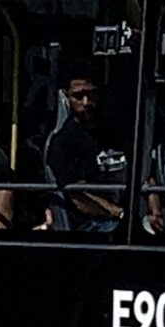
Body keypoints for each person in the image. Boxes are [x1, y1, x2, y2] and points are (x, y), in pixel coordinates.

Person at [44, 72, 123, 233]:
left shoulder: (115, 132)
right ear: (67, 98)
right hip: (91, 223)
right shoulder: (63, 141)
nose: (86, 102)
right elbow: (77, 197)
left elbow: (144, 177)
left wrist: (154, 210)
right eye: (78, 96)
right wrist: (118, 212)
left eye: (91, 94)